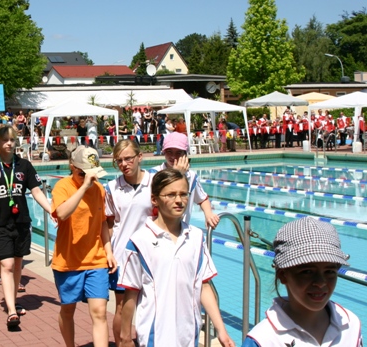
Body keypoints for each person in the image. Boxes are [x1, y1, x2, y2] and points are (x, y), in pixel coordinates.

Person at [118, 169, 234, 347]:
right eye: (171, 195)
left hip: (189, 336)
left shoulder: (196, 237)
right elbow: (131, 293)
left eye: (183, 194)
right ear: (154, 199)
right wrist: (125, 337)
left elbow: (203, 285)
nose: (179, 200)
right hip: (154, 337)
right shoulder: (139, 241)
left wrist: (222, 330)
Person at [243, 217, 362, 346]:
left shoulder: (350, 325)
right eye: (307, 272)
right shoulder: (263, 340)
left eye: (329, 272)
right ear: (283, 275)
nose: (321, 282)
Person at [0, 125, 52, 330]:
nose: (9, 143)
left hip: (21, 221)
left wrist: (51, 210)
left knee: (18, 265)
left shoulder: (24, 165)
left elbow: (37, 191)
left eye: (12, 139)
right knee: (7, 265)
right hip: (1, 223)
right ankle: (11, 310)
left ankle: (12, 300)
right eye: (4, 140)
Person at [51, 145, 116, 347]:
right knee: (68, 309)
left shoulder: (99, 190)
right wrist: (83, 188)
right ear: (72, 167)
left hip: (96, 260)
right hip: (68, 261)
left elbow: (103, 222)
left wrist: (109, 251)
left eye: (93, 173)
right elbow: (61, 213)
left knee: (99, 312)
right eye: (83, 173)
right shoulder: (62, 187)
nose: (89, 177)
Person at [104, 140, 156, 344]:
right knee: (122, 307)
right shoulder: (111, 188)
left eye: (128, 158)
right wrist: (108, 253)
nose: (124, 164)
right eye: (119, 160)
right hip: (122, 256)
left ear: (139, 157)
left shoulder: (154, 182)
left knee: (153, 304)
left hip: (151, 254)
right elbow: (108, 224)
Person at [150, 132, 220, 228]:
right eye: (169, 151)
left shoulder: (191, 176)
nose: (173, 156)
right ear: (163, 151)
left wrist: (208, 214)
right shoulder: (153, 173)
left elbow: (202, 199)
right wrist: (176, 173)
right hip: (158, 230)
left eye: (178, 152)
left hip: (182, 230)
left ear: (185, 154)